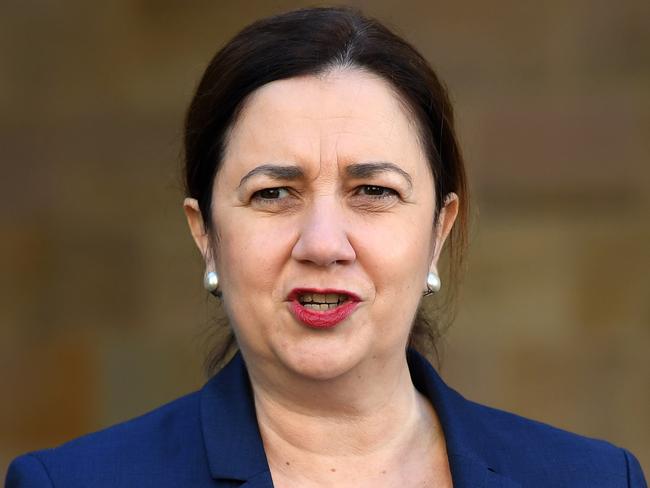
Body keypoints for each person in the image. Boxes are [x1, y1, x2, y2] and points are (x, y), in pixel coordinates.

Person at [5, 7, 646, 488]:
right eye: (274, 194)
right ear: (205, 235)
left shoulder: (590, 477)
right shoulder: (75, 483)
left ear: (438, 231)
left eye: (372, 190)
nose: (322, 244)